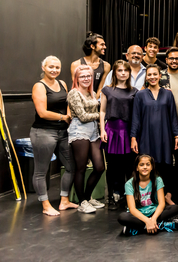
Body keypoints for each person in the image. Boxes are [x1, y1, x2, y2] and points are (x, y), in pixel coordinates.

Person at [30, 56, 78, 216]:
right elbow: (42, 113)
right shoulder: (39, 86)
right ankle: (45, 205)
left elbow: (68, 103)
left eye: (57, 67)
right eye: (51, 67)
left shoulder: (63, 84)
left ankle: (64, 201)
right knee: (41, 171)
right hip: (43, 132)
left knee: (71, 167)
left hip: (63, 132)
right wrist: (63, 117)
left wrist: (69, 116)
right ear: (43, 68)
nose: (54, 70)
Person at [130, 64, 178, 205]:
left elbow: (173, 117)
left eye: (155, 74)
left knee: (165, 166)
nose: (152, 77)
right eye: (149, 75)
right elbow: (136, 118)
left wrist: (177, 135)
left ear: (160, 76)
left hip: (165, 136)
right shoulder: (140, 95)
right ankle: (148, 197)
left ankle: (164, 196)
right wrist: (133, 138)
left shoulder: (168, 94)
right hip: (146, 136)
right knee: (148, 166)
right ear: (146, 77)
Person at [100, 60, 138, 210]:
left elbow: (136, 115)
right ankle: (112, 197)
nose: (123, 73)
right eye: (120, 70)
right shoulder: (107, 90)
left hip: (128, 131)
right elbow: (102, 111)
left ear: (129, 73)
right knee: (113, 166)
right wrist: (102, 130)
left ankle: (127, 197)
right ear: (114, 72)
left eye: (125, 70)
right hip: (112, 130)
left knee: (129, 166)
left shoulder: (134, 91)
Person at [67, 65, 105, 214]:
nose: (86, 79)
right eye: (82, 76)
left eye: (88, 76)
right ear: (77, 78)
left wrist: (100, 116)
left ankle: (88, 198)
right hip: (79, 131)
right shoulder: (74, 93)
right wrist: (102, 115)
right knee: (81, 168)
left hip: (93, 131)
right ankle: (82, 201)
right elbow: (82, 117)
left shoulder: (92, 93)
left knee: (99, 167)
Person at [118, 154, 178, 236]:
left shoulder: (157, 180)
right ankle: (160, 225)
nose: (145, 167)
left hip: (154, 213)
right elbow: (132, 208)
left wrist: (153, 219)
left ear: (152, 167)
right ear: (137, 168)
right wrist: (148, 221)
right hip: (138, 215)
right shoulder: (129, 184)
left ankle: (138, 228)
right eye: (142, 165)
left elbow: (162, 203)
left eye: (148, 164)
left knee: (175, 208)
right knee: (122, 217)